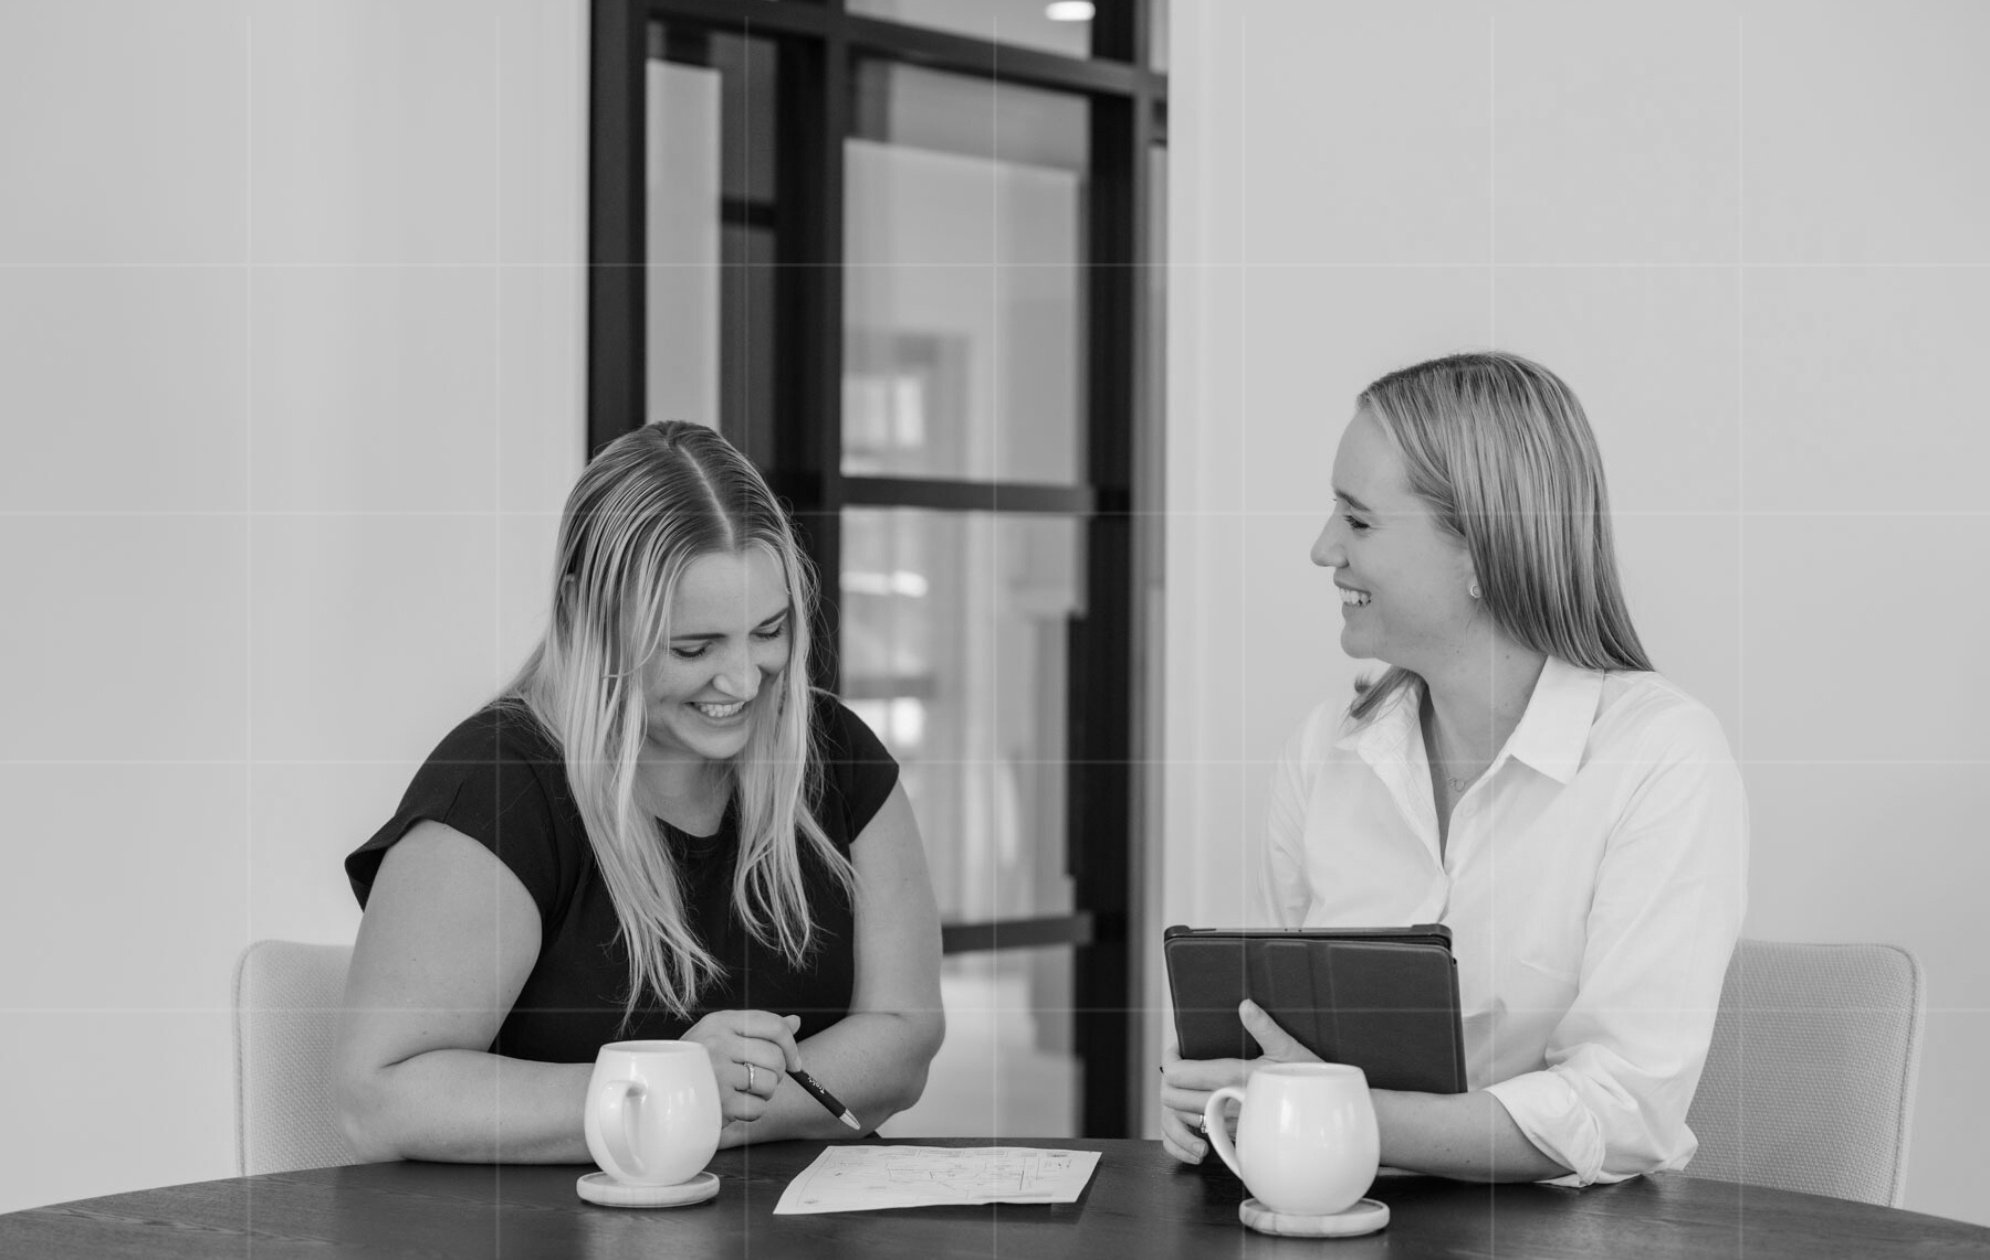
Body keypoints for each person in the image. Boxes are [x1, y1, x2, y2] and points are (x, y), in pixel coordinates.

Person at [1160, 352, 1746, 1186]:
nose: (1324, 547)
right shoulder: (1325, 750)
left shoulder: (1660, 757)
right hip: (1337, 1217)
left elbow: (1624, 1111)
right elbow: (1269, 1031)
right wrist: (1209, 1094)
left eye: (1359, 522)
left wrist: (1338, 1111)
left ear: (1480, 548)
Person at [335, 421, 944, 1161]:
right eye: (695, 647)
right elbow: (380, 1101)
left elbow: (904, 1035)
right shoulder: (500, 792)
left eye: (769, 631)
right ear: (585, 614)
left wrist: (719, 1103)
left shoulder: (832, 755)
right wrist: (668, 1088)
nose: (745, 681)